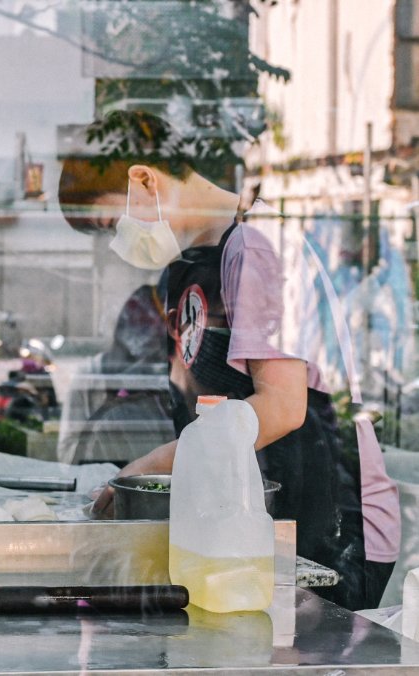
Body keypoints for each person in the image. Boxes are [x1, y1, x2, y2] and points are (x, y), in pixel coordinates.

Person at [59, 110, 401, 611]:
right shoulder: (192, 267)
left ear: (143, 178)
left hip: (325, 524)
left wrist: (152, 468)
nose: (119, 242)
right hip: (254, 515)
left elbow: (284, 409)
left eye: (113, 222)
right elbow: (205, 407)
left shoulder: (257, 245)